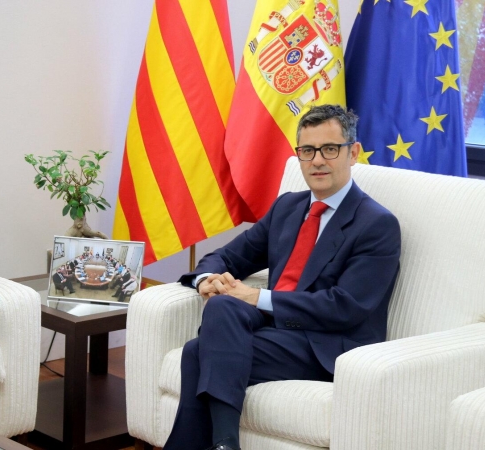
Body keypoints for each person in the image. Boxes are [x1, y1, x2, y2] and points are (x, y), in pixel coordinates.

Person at [164, 105, 401, 450]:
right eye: (307, 151)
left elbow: (345, 307)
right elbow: (228, 255)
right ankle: (225, 445)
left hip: (325, 342)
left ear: (353, 153)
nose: (317, 160)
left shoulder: (376, 224)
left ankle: (223, 443)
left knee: (197, 352)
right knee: (220, 308)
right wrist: (206, 280)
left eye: (329, 149)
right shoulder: (288, 207)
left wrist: (256, 297)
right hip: (274, 329)